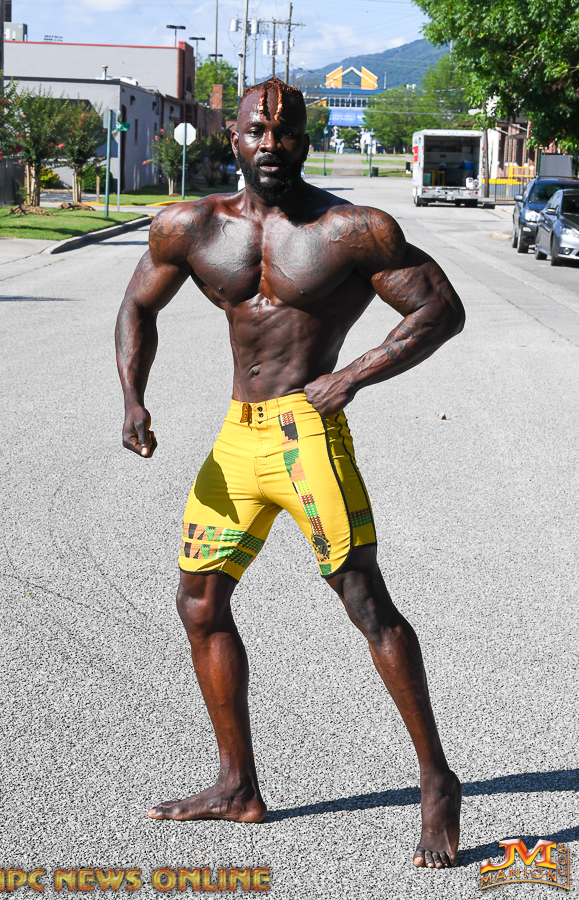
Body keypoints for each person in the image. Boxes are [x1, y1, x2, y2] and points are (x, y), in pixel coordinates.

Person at [115, 77, 465, 870]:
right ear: (232, 137)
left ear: (305, 141)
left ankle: (437, 781)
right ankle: (237, 785)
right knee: (199, 602)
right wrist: (132, 398)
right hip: (237, 439)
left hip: (307, 432)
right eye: (257, 130)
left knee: (365, 602)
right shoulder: (190, 226)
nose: (271, 144)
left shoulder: (352, 231)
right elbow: (137, 306)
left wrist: (355, 374)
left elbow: (440, 309)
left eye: (286, 132)